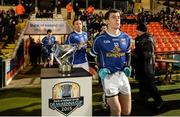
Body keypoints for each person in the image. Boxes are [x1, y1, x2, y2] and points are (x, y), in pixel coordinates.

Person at [90, 9, 132, 116]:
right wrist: (97, 69)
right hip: (108, 77)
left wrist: (128, 66)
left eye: (118, 17)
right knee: (116, 111)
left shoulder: (126, 38)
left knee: (126, 111)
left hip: (122, 76)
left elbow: (128, 54)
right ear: (107, 21)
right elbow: (91, 56)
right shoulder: (99, 39)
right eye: (113, 17)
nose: (117, 19)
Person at [133, 23, 163, 110]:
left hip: (147, 66)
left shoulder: (148, 39)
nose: (135, 31)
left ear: (139, 30)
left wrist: (135, 55)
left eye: (137, 29)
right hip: (140, 65)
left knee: (150, 85)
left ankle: (159, 101)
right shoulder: (139, 39)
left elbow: (147, 54)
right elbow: (138, 50)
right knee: (142, 83)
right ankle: (142, 99)